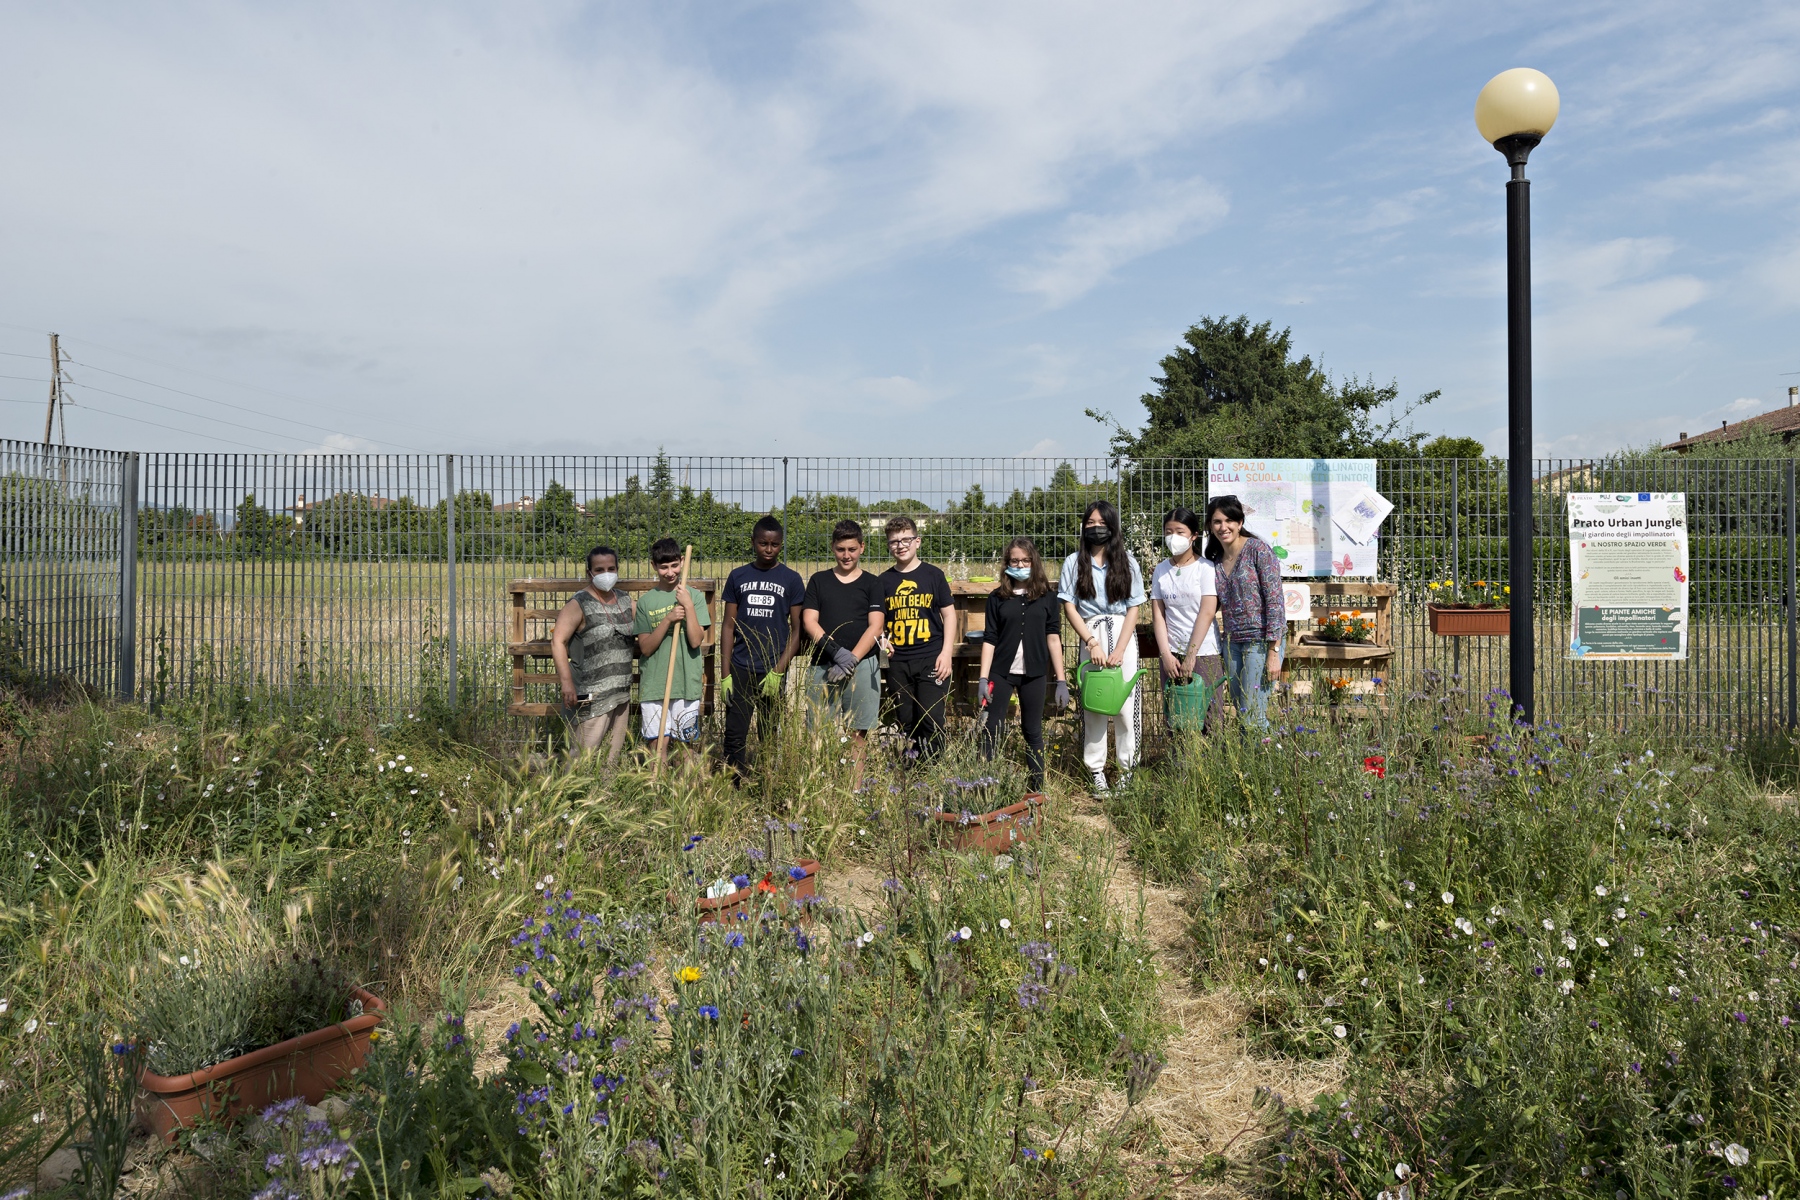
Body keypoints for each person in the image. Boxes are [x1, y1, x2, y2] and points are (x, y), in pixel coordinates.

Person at [1059, 499, 1145, 795]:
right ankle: (1096, 771)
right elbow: (1069, 606)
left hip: (1122, 634)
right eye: (1090, 523)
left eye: (1102, 524)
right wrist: (1091, 641)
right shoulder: (1073, 562)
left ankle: (1126, 770)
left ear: (1113, 527)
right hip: (1091, 633)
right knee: (1094, 704)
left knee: (1125, 704)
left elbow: (1134, 607)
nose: (1096, 528)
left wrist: (1120, 649)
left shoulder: (1128, 561)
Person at [976, 537, 1067, 792]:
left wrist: (1061, 680)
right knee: (991, 730)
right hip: (1002, 673)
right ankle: (985, 787)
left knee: (1032, 731)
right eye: (1015, 560)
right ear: (1007, 564)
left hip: (1034, 674)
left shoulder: (1048, 597)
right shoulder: (997, 598)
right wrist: (983, 679)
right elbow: (990, 639)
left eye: (1025, 560)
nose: (1020, 564)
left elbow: (1053, 637)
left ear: (1033, 562)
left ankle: (1036, 789)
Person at [718, 515, 805, 781]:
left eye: (775, 544)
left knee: (769, 732)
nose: (768, 549)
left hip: (772, 669)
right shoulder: (738, 576)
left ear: (781, 545)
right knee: (735, 733)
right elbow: (728, 627)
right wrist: (725, 674)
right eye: (763, 543)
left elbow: (798, 630)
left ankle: (766, 783)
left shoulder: (791, 579)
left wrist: (779, 670)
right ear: (753, 543)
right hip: (741, 667)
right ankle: (734, 786)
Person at [802, 519, 885, 789]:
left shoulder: (873, 583)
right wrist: (836, 652)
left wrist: (853, 659)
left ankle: (855, 787)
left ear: (861, 547)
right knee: (819, 730)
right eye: (840, 549)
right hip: (822, 665)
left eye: (851, 549)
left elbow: (876, 624)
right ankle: (821, 786)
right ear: (833, 549)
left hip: (862, 666)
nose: (846, 555)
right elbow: (809, 621)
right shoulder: (819, 581)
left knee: (858, 731)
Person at [549, 544, 637, 765]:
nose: (606, 574)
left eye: (611, 568)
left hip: (620, 693)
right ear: (589, 572)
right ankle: (573, 796)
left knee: (610, 758)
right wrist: (567, 683)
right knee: (581, 756)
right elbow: (558, 641)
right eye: (599, 570)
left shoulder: (626, 601)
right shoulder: (579, 603)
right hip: (589, 693)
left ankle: (606, 797)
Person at [1204, 494, 1285, 732]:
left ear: (1240, 523)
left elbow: (1275, 602)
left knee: (1253, 714)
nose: (1223, 527)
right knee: (1243, 711)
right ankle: (1250, 764)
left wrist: (1274, 651)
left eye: (1229, 520)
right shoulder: (1215, 560)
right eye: (1217, 521)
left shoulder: (1258, 550)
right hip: (1232, 643)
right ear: (1210, 525)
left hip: (1260, 643)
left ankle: (1271, 763)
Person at [879, 515, 957, 761]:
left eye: (906, 540)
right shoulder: (884, 581)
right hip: (898, 661)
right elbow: (877, 621)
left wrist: (946, 654)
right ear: (888, 546)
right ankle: (911, 773)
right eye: (894, 542)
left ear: (917, 541)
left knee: (931, 717)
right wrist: (882, 639)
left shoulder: (933, 575)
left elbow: (950, 616)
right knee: (906, 719)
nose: (900, 546)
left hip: (931, 658)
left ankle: (934, 771)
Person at [633, 537, 711, 762]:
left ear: (682, 562)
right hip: (655, 684)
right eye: (664, 567)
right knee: (658, 746)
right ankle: (657, 791)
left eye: (675, 565)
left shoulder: (694, 597)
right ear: (654, 566)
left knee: (686, 748)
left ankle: (687, 793)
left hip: (685, 683)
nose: (670, 572)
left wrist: (687, 605)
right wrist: (668, 619)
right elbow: (646, 648)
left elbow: (696, 640)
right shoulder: (646, 602)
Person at [1150, 507, 1224, 734]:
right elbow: (1158, 615)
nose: (1174, 537)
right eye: (1168, 531)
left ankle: (1210, 768)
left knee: (1209, 719)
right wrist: (1166, 655)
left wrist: (1191, 654)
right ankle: (1180, 769)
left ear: (1194, 535)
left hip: (1204, 653)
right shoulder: (1160, 570)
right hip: (1172, 655)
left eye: (1180, 532)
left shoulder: (1205, 568)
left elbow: (1207, 611)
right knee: (1178, 718)